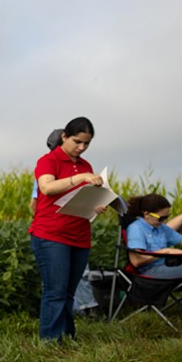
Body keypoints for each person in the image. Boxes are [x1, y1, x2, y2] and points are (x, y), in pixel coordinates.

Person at [29, 116, 106, 342]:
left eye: (86, 144)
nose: (81, 148)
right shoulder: (48, 160)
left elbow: (81, 198)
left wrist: (97, 204)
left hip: (79, 235)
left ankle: (67, 335)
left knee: (70, 292)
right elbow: (47, 187)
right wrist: (79, 178)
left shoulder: (86, 165)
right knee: (55, 291)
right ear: (64, 136)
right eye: (76, 141)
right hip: (50, 235)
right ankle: (51, 341)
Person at [124, 193, 182, 279]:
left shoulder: (161, 227)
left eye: (167, 217)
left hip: (165, 267)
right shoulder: (136, 229)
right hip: (148, 272)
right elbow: (136, 261)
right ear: (147, 214)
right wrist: (165, 252)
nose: (164, 221)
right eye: (161, 218)